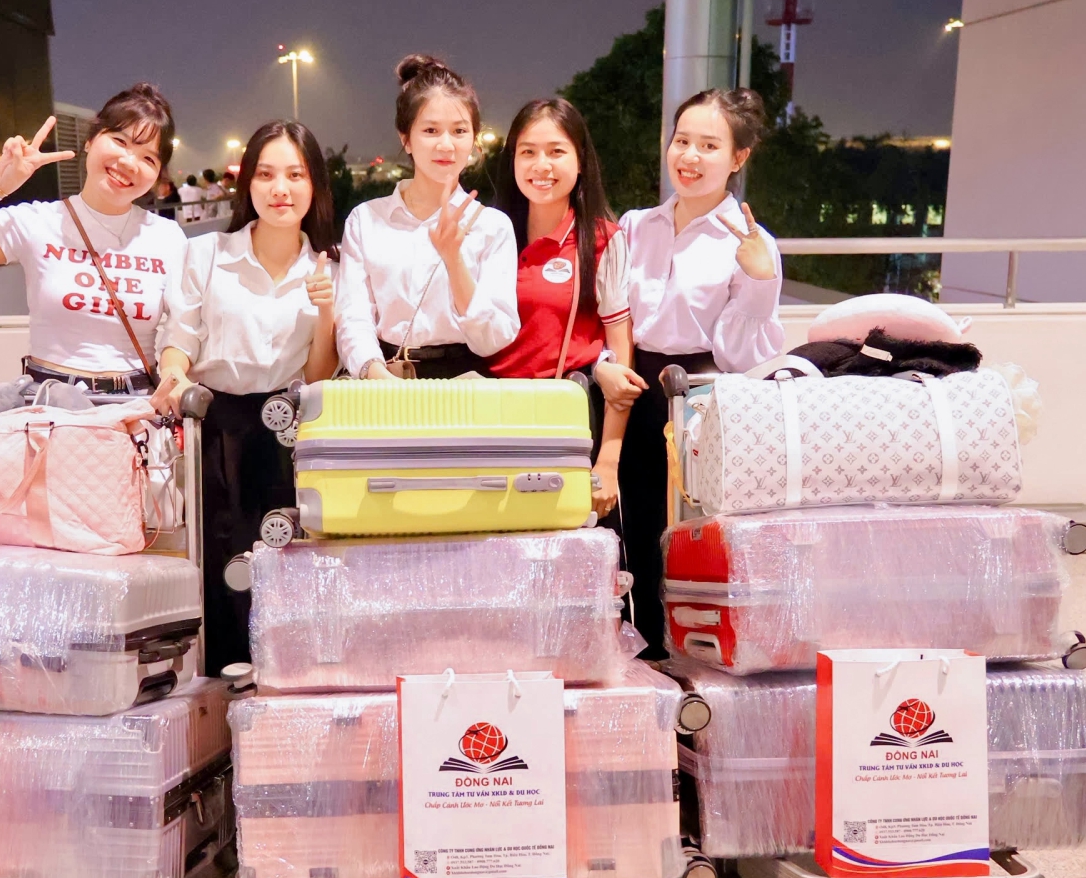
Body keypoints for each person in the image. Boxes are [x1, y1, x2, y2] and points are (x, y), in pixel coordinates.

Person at [154, 120, 340, 673]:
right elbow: (179, 337)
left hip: (287, 432)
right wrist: (175, 375)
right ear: (248, 184)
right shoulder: (206, 253)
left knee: (287, 564)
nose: (280, 189)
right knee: (216, 559)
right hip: (213, 423)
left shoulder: (329, 267)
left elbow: (319, 372)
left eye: (295, 175)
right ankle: (217, 690)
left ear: (315, 185)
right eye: (266, 175)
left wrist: (327, 311)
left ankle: (283, 686)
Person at [617, 86, 784, 658]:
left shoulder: (750, 241)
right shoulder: (637, 225)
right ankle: (644, 652)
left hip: (705, 398)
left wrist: (760, 279)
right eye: (682, 140)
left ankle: (698, 653)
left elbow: (743, 351)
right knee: (634, 526)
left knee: (697, 532)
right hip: (634, 389)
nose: (689, 156)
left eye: (709, 145)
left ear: (739, 157)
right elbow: (613, 314)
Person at [0, 83, 183, 394]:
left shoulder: (166, 237)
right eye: (120, 141)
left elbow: (184, 330)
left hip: (135, 404)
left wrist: (175, 381)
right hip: (49, 400)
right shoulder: (38, 222)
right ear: (90, 140)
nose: (129, 162)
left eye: (148, 159)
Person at [489, 97, 647, 522]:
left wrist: (608, 462)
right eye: (528, 152)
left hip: (564, 421)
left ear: (580, 162)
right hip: (491, 419)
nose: (541, 165)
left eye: (556, 151)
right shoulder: (488, 234)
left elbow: (621, 362)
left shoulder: (603, 240)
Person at [335, 54, 518, 380]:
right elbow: (353, 316)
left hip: (464, 382)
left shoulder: (492, 226)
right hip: (385, 376)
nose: (446, 145)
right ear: (405, 138)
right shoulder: (366, 220)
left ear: (473, 139)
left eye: (459, 131)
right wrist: (376, 374)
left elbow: (494, 338)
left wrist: (454, 260)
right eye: (431, 130)